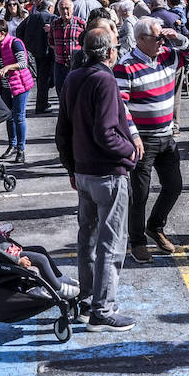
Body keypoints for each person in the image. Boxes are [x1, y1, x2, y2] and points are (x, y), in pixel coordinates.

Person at [56, 28, 142, 332]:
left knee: (88, 239)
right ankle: (102, 310)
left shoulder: (73, 77)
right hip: (107, 172)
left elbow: (62, 131)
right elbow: (106, 132)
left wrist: (71, 168)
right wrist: (130, 150)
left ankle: (89, 302)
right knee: (112, 243)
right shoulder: (104, 79)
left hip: (83, 172)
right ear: (108, 52)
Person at [113, 17, 189, 263]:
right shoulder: (126, 65)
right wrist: (134, 136)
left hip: (166, 137)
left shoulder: (168, 56)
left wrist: (177, 38)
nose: (162, 41)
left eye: (163, 37)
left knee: (174, 185)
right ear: (140, 39)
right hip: (143, 141)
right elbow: (122, 106)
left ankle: (155, 226)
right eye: (157, 37)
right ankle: (137, 242)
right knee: (139, 193)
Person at [0, 197, 79, 297]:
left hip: (9, 253)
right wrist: (18, 261)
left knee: (40, 249)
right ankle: (57, 287)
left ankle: (58, 277)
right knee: (41, 259)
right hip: (10, 258)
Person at [0, 19, 35, 163]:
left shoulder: (15, 43)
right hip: (6, 86)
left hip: (20, 85)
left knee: (19, 117)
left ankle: (21, 149)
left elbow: (23, 63)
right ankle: (12, 145)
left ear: (2, 33)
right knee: (8, 116)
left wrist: (7, 68)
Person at [15, 0, 55, 114]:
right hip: (49, 52)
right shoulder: (52, 18)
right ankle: (41, 104)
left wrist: (27, 44)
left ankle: (42, 102)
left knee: (43, 78)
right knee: (45, 79)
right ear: (49, 8)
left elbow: (19, 30)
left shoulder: (31, 17)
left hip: (36, 52)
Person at [47, 0, 85, 108]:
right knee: (61, 93)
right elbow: (51, 42)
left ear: (73, 9)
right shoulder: (54, 24)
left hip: (76, 65)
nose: (65, 11)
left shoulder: (81, 24)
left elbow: (86, 43)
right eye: (62, 9)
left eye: (67, 8)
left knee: (78, 93)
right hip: (59, 65)